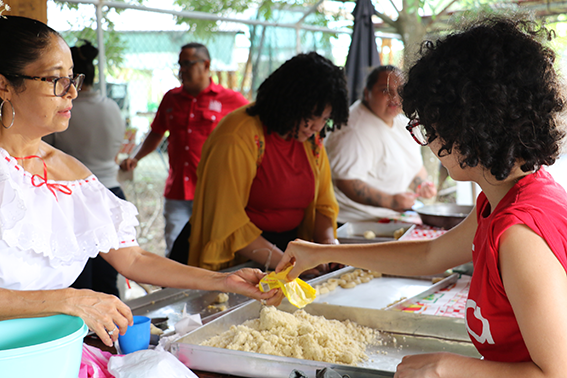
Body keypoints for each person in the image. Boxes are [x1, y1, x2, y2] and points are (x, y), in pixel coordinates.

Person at [277, 15, 567, 377]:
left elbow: (555, 373)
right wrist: (320, 253)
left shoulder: (519, 236)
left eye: (432, 127)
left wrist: (449, 367)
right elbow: (430, 254)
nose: (430, 142)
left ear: (469, 125)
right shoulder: (506, 198)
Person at [0, 15, 280, 349]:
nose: (72, 91)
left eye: (72, 77)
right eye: (55, 80)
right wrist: (68, 300)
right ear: (4, 85)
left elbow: (133, 259)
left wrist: (224, 280)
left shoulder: (71, 175)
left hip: (50, 353)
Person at [179, 52, 349, 273]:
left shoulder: (310, 140)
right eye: (310, 116)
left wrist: (328, 244)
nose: (317, 127)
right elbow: (227, 223)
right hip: (238, 258)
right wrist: (288, 264)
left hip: (284, 251)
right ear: (287, 102)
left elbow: (323, 205)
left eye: (325, 118)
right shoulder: (238, 136)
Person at [119, 42, 249, 257]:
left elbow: (252, 132)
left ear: (206, 65)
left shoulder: (232, 101)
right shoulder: (171, 98)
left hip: (215, 191)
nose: (182, 70)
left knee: (214, 248)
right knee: (176, 248)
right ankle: (177, 289)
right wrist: (136, 157)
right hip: (178, 191)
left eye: (188, 63)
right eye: (180, 64)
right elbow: (156, 133)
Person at [43, 40, 125, 297]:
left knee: (81, 284)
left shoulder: (65, 112)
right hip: (112, 191)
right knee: (108, 284)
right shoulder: (112, 108)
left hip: (74, 199)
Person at [325, 65, 436, 223]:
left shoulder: (402, 123)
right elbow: (345, 181)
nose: (394, 98)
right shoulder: (354, 130)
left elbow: (413, 168)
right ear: (366, 93)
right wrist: (390, 201)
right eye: (385, 90)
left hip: (393, 217)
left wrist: (421, 184)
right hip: (356, 222)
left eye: (400, 91)